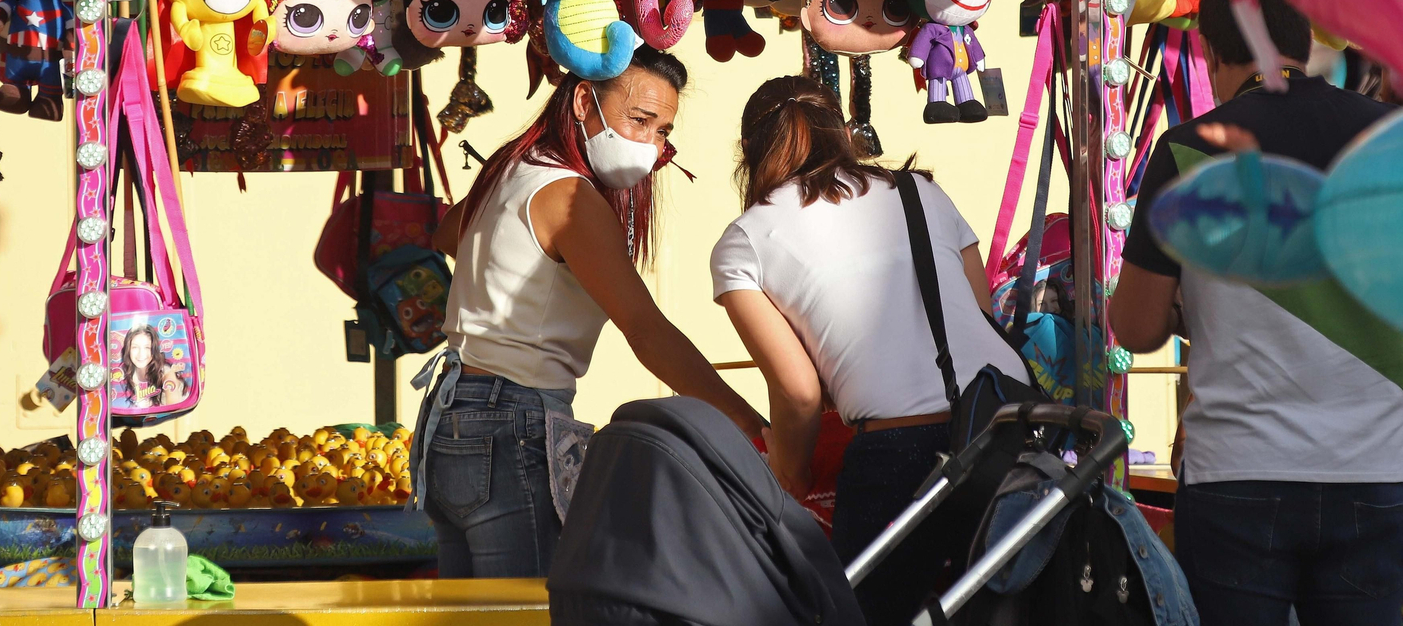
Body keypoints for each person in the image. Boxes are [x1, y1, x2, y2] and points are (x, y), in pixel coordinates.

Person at [1111, 0, 1403, 626]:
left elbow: (1135, 326)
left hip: (1237, 476)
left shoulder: (1188, 148)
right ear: (1302, 40)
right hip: (1378, 471)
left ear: (1211, 52)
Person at [414, 46, 765, 579]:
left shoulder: (515, 167)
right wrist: (746, 422)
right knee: (529, 614)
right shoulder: (567, 196)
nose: (651, 144)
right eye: (640, 120)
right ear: (583, 100)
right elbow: (646, 331)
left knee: (474, 615)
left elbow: (447, 233)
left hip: (453, 414)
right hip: (514, 421)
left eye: (663, 131)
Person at [710, 75, 1029, 625]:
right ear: (843, 134)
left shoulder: (744, 240)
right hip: (1008, 430)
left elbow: (799, 392)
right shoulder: (921, 192)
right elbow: (981, 317)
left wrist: (789, 475)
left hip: (900, 454)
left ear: (747, 151)